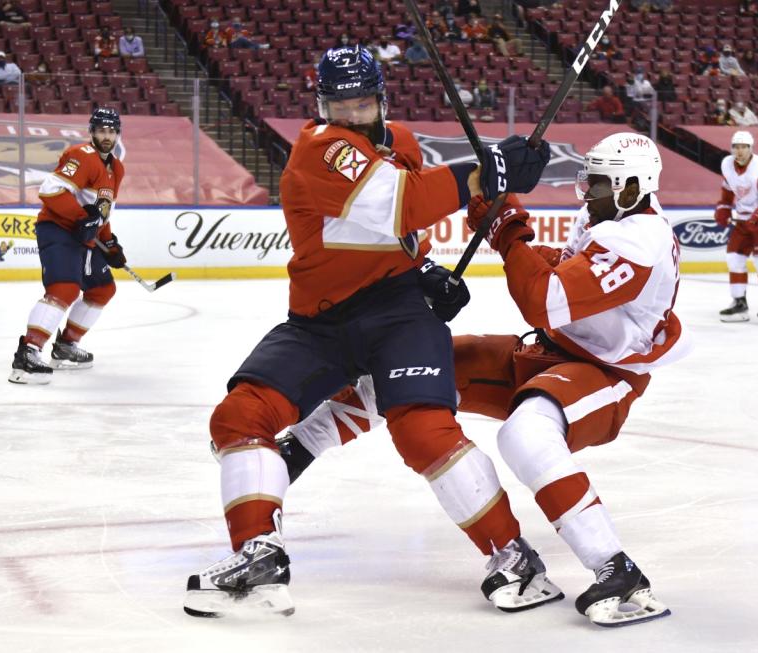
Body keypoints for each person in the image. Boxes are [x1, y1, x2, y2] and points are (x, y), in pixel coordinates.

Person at [182, 45, 556, 619]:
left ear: (381, 99)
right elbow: (400, 203)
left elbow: (400, 234)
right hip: (322, 320)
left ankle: (513, 557)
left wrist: (426, 271)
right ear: (321, 104)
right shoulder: (319, 150)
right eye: (339, 104)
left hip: (399, 312)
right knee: (239, 416)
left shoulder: (400, 141)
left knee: (423, 430)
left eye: (362, 103)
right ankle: (259, 554)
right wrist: (489, 172)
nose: (351, 115)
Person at [278, 133, 688, 628]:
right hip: (552, 353)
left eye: (598, 184)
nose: (587, 193)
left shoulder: (640, 241)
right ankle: (298, 448)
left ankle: (617, 572)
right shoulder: (606, 217)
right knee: (415, 372)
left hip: (604, 372)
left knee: (527, 433)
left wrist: (508, 231)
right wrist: (500, 223)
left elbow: (546, 299)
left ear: (631, 189)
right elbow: (562, 267)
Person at [8, 108, 127, 384]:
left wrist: (108, 242)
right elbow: (51, 191)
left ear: (118, 134)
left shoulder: (116, 168)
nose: (106, 136)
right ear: (92, 132)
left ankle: (65, 347)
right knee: (65, 288)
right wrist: (80, 219)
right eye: (101, 130)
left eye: (111, 131)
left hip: (82, 235)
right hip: (59, 229)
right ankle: (27, 353)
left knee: (101, 289)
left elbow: (100, 212)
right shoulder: (81, 156)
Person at [714, 130, 758, 324]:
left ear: (751, 149)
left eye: (744, 147)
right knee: (734, 258)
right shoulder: (727, 164)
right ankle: (739, 303)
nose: (740, 151)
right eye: (736, 147)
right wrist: (724, 207)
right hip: (744, 219)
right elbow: (728, 189)